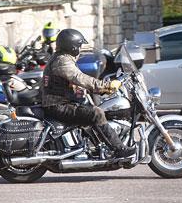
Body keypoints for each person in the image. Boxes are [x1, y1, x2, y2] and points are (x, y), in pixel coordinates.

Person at [41, 28, 136, 158]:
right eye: (79, 45)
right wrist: (106, 86)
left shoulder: (62, 57)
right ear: (72, 47)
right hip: (58, 105)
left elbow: (72, 82)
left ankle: (95, 146)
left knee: (91, 108)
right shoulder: (62, 61)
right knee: (96, 113)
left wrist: (96, 89)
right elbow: (80, 78)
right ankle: (118, 149)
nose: (80, 48)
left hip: (60, 102)